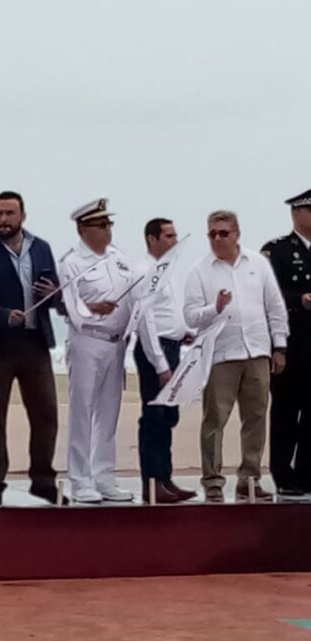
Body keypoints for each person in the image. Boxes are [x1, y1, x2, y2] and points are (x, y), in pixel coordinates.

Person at [59, 198, 165, 504]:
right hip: (87, 341)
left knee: (109, 412)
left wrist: (155, 356)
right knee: (83, 411)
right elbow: (70, 308)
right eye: (101, 225)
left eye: (110, 224)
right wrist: (91, 308)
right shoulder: (72, 262)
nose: (108, 231)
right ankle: (80, 480)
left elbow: (138, 302)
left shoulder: (120, 259)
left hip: (117, 344)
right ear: (83, 229)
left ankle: (104, 476)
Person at [0, 191, 65, 505]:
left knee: (46, 414)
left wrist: (56, 294)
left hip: (35, 344)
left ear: (23, 215)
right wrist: (4, 316)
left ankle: (43, 480)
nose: (4, 220)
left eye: (9, 213)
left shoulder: (42, 248)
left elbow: (56, 292)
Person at [184, 210, 287, 503]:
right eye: (212, 233)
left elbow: (275, 307)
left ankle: (249, 479)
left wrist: (279, 346)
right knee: (215, 418)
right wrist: (214, 308)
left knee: (255, 417)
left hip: (256, 351)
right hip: (221, 355)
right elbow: (190, 316)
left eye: (223, 233)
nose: (217, 238)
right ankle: (213, 480)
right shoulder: (200, 270)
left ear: (237, 234)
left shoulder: (258, 264)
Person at [133, 218, 197, 504]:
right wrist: (160, 364)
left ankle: (165, 477)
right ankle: (151, 482)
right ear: (152, 239)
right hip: (154, 351)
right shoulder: (144, 271)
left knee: (168, 417)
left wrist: (183, 332)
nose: (174, 240)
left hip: (172, 346)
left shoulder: (167, 270)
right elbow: (145, 321)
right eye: (168, 235)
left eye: (175, 235)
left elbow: (166, 312)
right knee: (154, 418)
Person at [262, 188, 311, 497]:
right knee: (285, 412)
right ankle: (282, 472)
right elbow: (268, 296)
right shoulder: (276, 251)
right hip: (291, 345)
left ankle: (307, 472)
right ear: (297, 213)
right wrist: (301, 299)